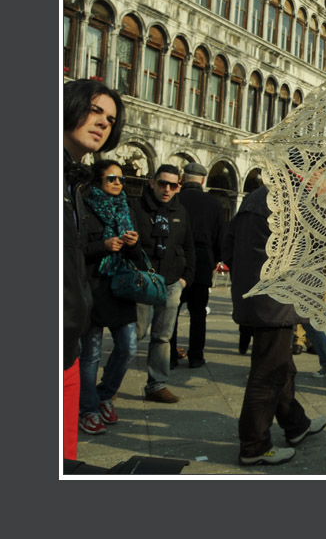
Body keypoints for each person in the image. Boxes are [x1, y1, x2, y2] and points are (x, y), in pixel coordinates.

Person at [224, 184, 326, 466]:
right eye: (320, 171)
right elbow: (312, 250)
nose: (323, 178)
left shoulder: (256, 197)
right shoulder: (292, 202)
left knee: (282, 364)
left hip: (256, 295)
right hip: (275, 300)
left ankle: (296, 424)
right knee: (268, 371)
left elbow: (227, 244)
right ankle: (254, 445)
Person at [63, 79, 125, 459]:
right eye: (95, 110)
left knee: (65, 456)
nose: (103, 123)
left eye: (111, 118)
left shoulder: (72, 180)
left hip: (69, 337)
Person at [78, 160, 140, 435]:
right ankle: (88, 409)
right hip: (92, 287)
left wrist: (134, 244)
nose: (117, 183)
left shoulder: (127, 209)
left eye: (121, 179)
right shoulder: (84, 207)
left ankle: (105, 394)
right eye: (111, 178)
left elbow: (139, 255)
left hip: (120, 289)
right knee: (90, 354)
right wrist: (102, 246)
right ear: (98, 182)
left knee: (129, 347)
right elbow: (74, 249)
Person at [131, 164, 196, 402]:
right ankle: (111, 382)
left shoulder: (180, 211)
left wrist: (185, 279)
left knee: (163, 336)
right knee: (135, 334)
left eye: (173, 185)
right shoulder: (137, 208)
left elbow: (188, 246)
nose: (167, 189)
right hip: (144, 281)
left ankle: (156, 384)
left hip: (171, 283)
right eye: (162, 184)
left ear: (179, 187)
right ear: (152, 183)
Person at [172, 162, 226, 369]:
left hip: (177, 262)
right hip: (203, 261)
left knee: (172, 312)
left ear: (183, 179)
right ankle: (196, 356)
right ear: (202, 180)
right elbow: (220, 236)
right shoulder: (213, 204)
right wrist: (215, 260)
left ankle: (169, 356)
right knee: (198, 313)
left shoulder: (175, 199)